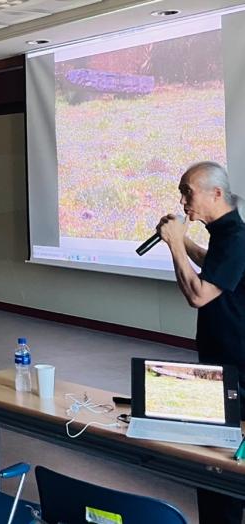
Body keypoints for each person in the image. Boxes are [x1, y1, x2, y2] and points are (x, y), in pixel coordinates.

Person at [157, 161, 245, 524]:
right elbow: (217, 264)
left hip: (235, 369)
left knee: (219, 469)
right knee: (214, 463)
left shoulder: (236, 238)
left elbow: (199, 294)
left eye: (188, 192)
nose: (182, 201)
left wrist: (175, 245)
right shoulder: (226, 234)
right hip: (219, 360)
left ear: (216, 193)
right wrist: (186, 243)